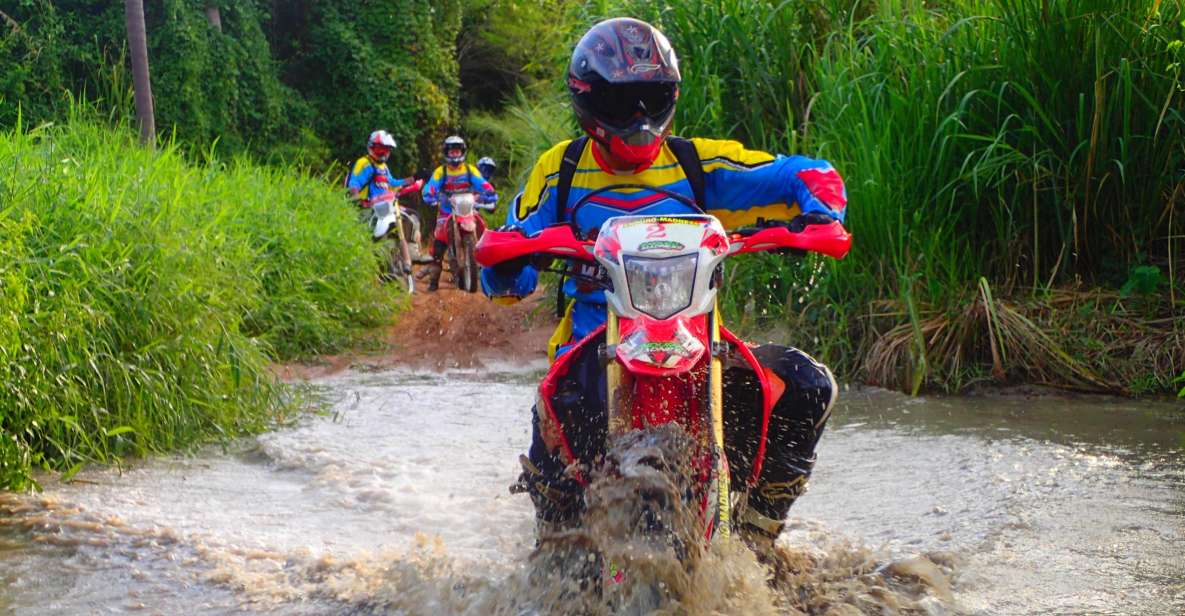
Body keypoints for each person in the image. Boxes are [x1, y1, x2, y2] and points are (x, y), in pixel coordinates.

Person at [480, 18, 848, 559]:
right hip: (592, 348)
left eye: (651, 100)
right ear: (588, 102)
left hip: (700, 348)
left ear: (670, 97)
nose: (639, 119)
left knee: (807, 386)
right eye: (622, 102)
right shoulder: (558, 171)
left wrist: (822, 214)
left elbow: (804, 173)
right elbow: (507, 268)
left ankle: (758, 537)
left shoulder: (698, 164)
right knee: (554, 425)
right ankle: (554, 552)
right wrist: (515, 258)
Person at [421, 135, 498, 291]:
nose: (455, 155)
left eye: (457, 152)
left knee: (483, 227)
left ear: (462, 152)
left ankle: (486, 266)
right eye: (452, 152)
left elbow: (481, 183)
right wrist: (430, 194)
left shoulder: (470, 170)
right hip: (446, 211)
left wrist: (489, 191)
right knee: (439, 244)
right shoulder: (441, 171)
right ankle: (434, 280)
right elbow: (431, 185)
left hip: (467, 209)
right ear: (446, 153)